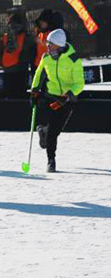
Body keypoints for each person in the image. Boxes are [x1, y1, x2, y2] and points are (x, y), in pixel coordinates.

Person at [30, 29, 84, 173]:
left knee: (56, 130)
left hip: (67, 99)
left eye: (51, 44)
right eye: (47, 43)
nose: (47, 46)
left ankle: (44, 131)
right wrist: (34, 91)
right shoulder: (46, 57)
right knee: (53, 132)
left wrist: (68, 95)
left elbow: (79, 83)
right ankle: (51, 160)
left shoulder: (73, 59)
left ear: (59, 45)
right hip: (51, 96)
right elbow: (39, 74)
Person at [0, 12, 34, 98]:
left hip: (13, 70)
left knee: (12, 96)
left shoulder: (6, 36)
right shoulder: (25, 36)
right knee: (18, 97)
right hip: (17, 70)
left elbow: (2, 52)